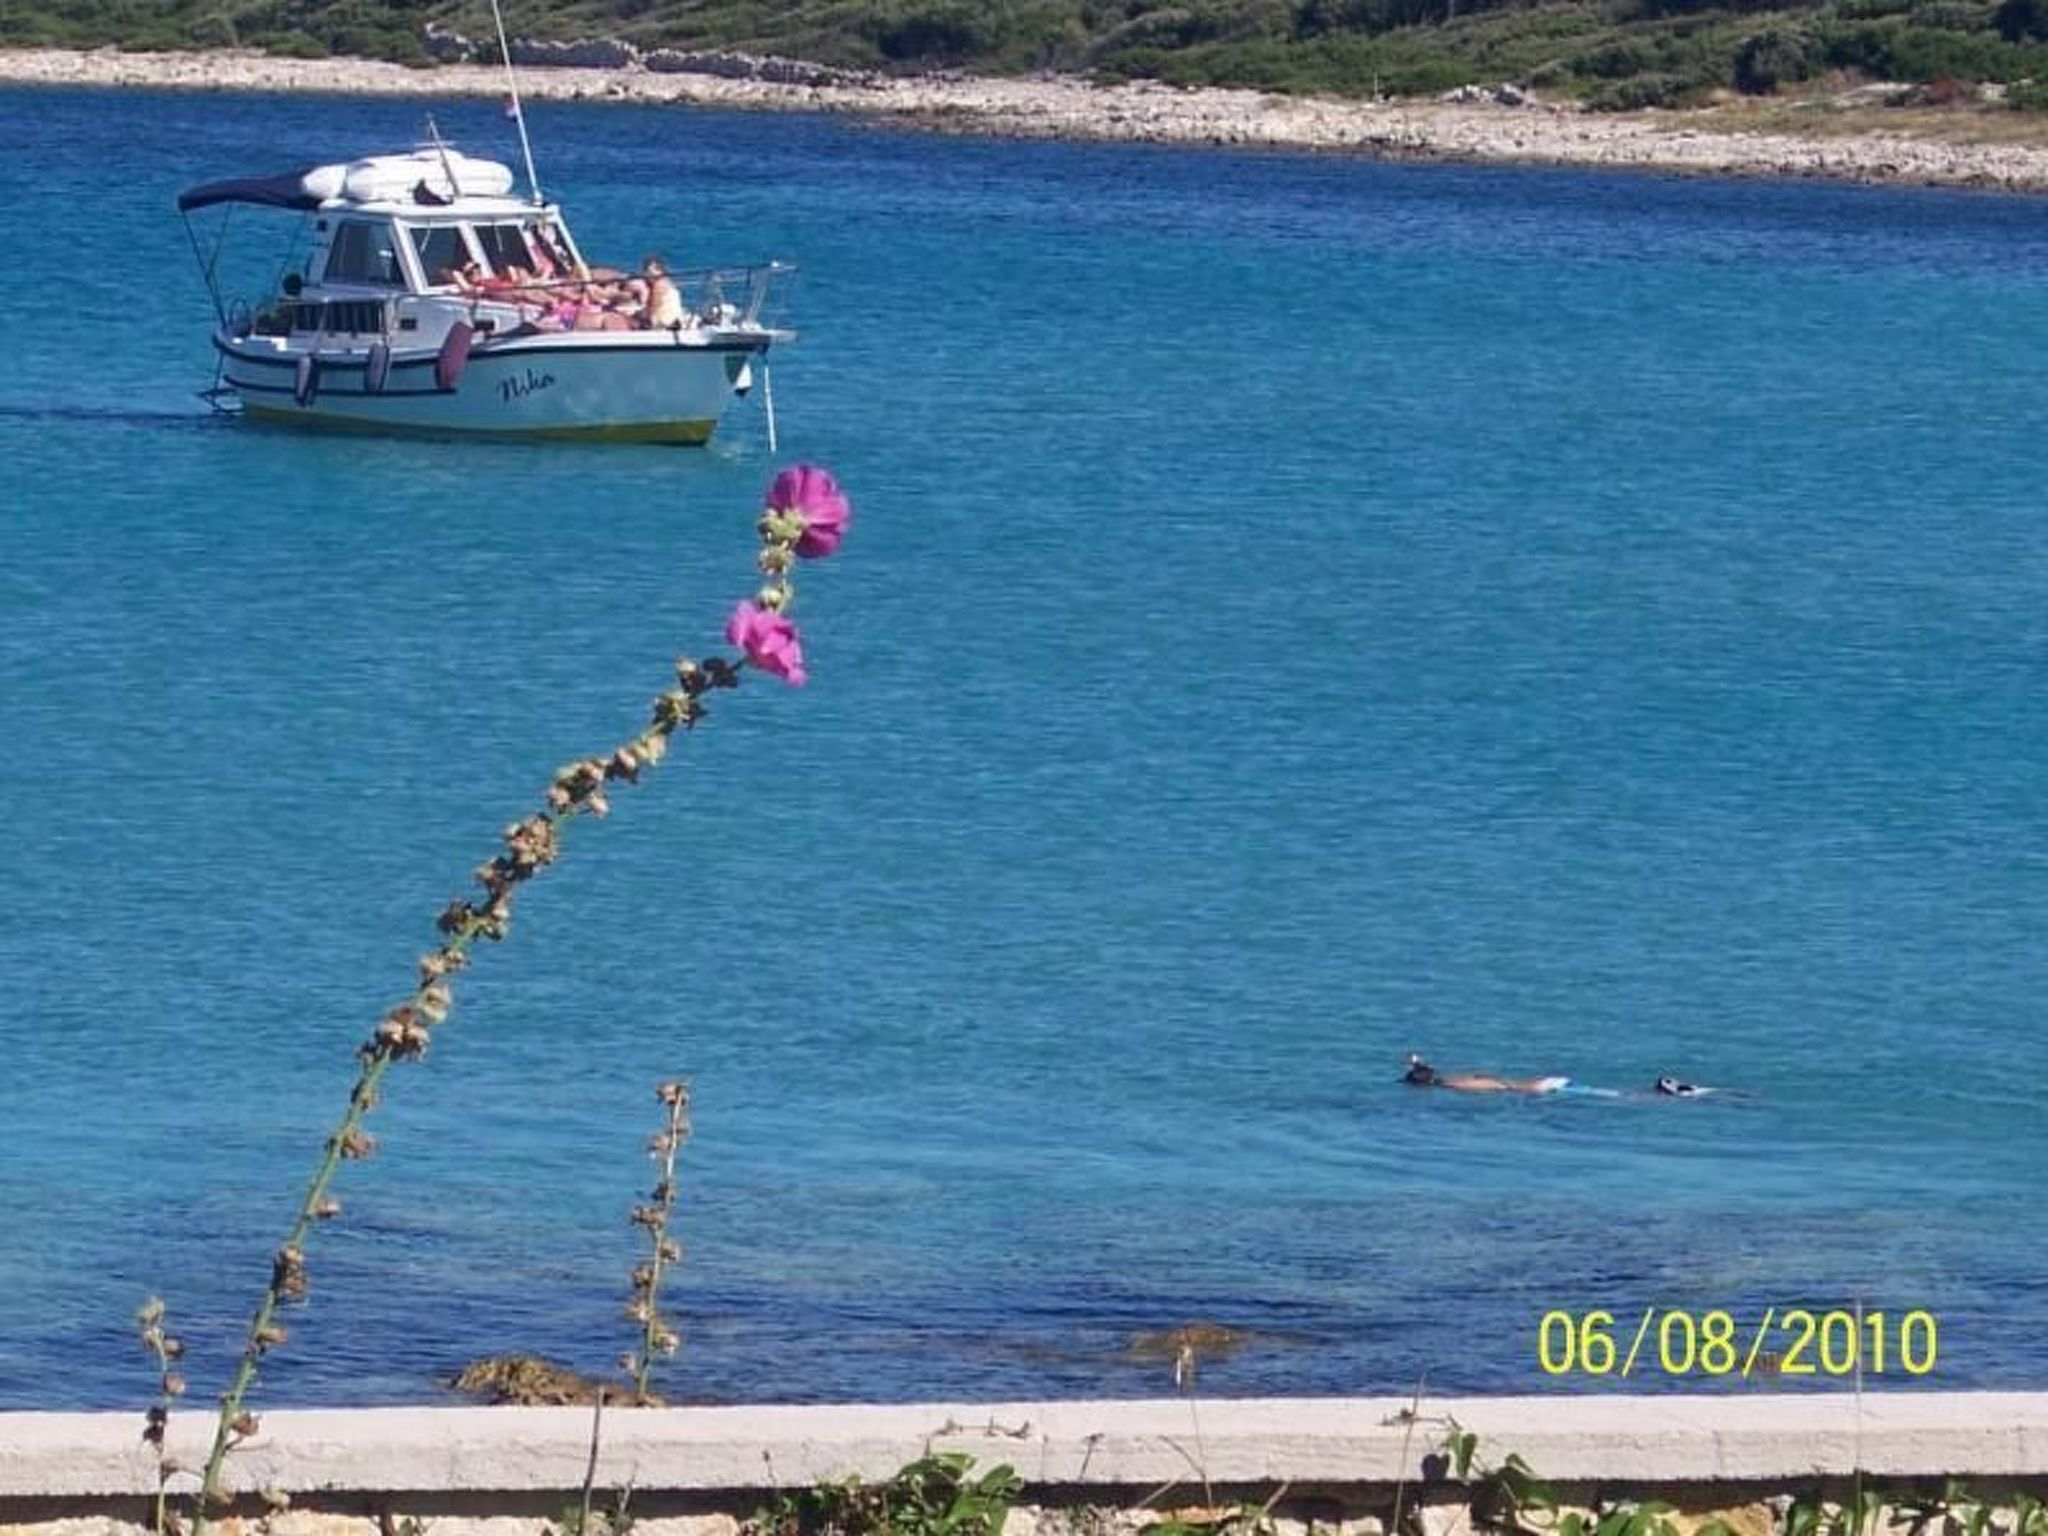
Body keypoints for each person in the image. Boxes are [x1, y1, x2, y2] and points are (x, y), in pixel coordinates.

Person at [1402, 1054, 1572, 1095]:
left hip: (1449, 1083)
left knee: (1502, 1085)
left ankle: (1536, 1087)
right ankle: (1537, 1087)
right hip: (1452, 1083)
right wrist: (1417, 1063)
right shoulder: (1420, 1074)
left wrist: (1416, 1064)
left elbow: (1422, 1076)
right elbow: (1425, 1073)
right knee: (1502, 1085)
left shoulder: (1414, 1077)